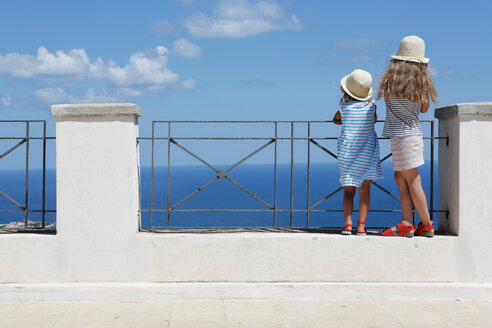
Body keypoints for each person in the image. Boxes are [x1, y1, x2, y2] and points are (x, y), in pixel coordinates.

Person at [377, 35, 438, 237]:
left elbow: (387, 103)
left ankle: (426, 224)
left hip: (399, 136)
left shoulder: (390, 82)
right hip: (412, 135)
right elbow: (424, 109)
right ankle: (407, 222)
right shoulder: (421, 83)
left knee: (411, 179)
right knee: (401, 177)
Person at [334, 69, 383, 236]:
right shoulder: (372, 107)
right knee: (365, 192)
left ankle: (348, 225)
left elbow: (336, 119)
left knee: (348, 192)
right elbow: (374, 119)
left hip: (347, 153)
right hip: (367, 154)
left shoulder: (343, 107)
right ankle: (361, 227)